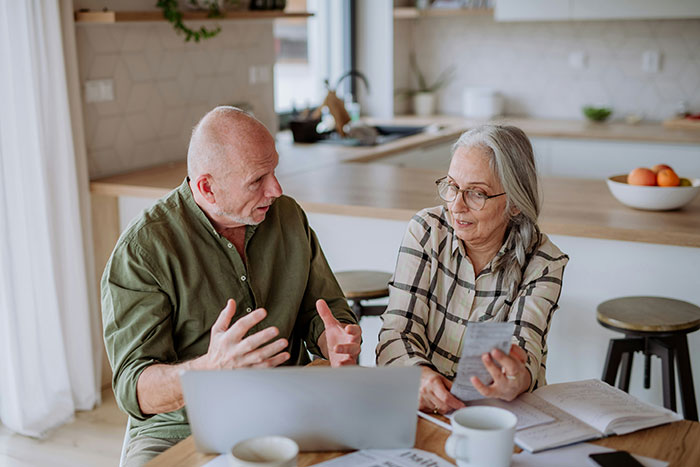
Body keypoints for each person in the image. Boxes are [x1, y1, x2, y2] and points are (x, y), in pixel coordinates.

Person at [102, 106, 362, 466]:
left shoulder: (287, 216)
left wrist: (332, 340)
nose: (276, 189)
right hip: (184, 427)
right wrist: (210, 368)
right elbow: (135, 389)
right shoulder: (144, 250)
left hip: (288, 404)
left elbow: (323, 310)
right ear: (208, 187)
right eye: (257, 180)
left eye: (274, 170)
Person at [376, 124, 569, 415]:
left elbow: (525, 347)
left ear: (515, 204)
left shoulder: (544, 261)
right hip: (424, 406)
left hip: (499, 412)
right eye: (452, 186)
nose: (456, 206)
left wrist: (516, 378)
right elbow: (397, 330)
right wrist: (421, 376)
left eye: (477, 193)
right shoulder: (427, 230)